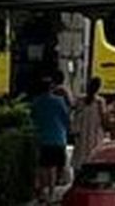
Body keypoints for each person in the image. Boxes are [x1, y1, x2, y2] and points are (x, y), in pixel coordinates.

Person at [30, 73, 72, 204]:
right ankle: (51, 193)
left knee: (43, 165)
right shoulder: (59, 101)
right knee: (53, 167)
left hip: (42, 138)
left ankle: (42, 191)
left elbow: (33, 118)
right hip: (58, 138)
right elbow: (66, 118)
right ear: (50, 87)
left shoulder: (36, 102)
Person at [71, 77, 106, 171]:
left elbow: (73, 111)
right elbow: (103, 118)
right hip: (94, 133)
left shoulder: (80, 100)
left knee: (79, 155)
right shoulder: (99, 102)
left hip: (81, 133)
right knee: (93, 155)